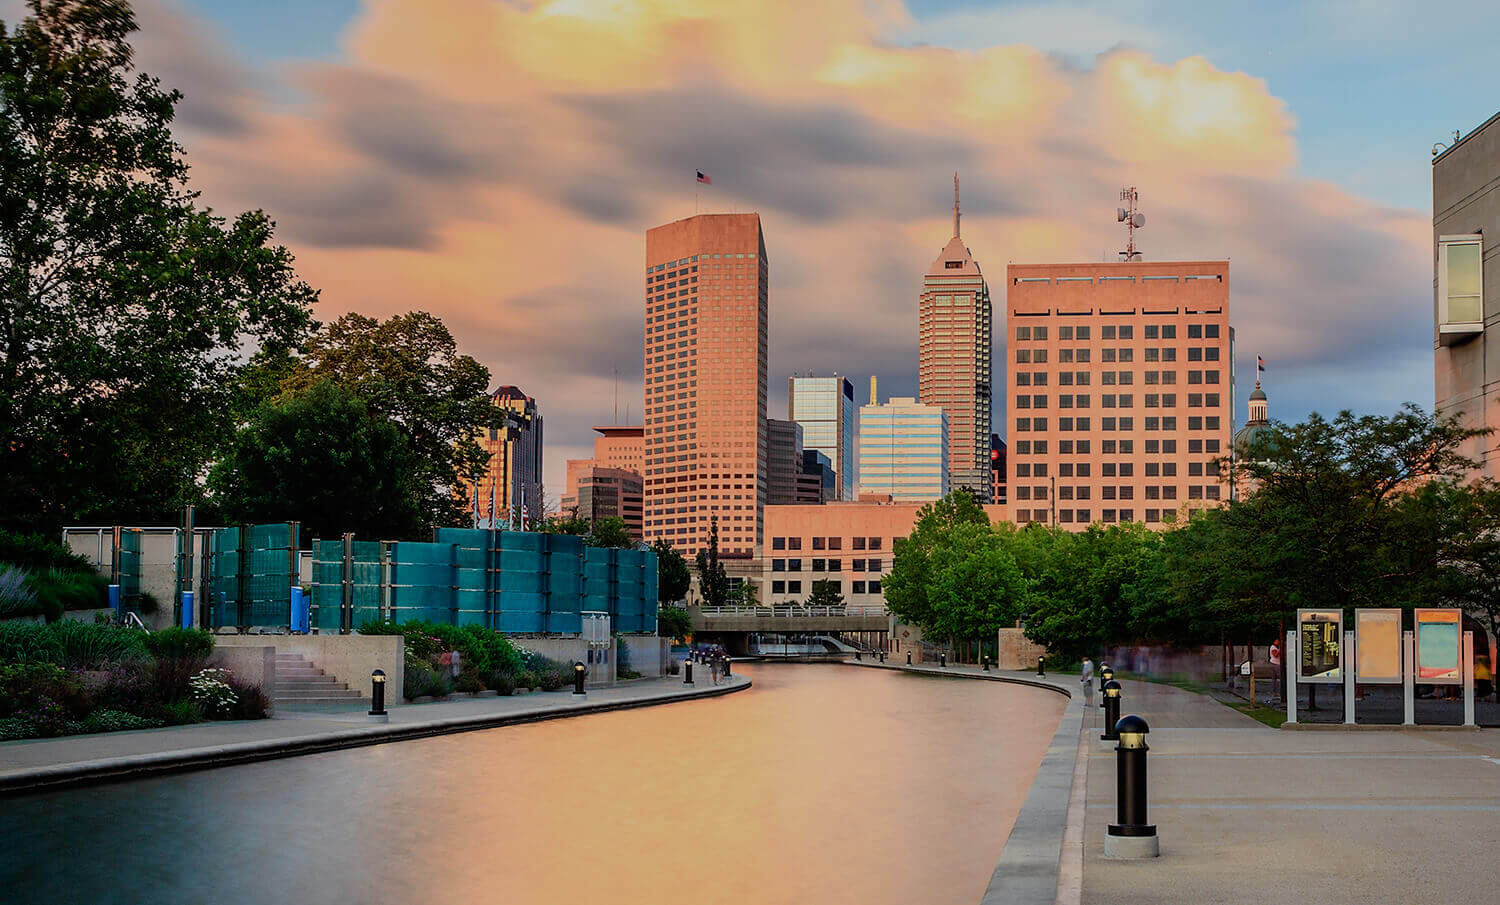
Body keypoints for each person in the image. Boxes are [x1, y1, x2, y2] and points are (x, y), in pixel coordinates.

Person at [1269, 638, 1283, 704]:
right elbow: (1275, 655)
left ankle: (1275, 692)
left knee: (1274, 678)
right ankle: (1277, 692)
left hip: (1275, 663)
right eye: (1277, 641)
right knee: (1278, 678)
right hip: (1275, 664)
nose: (1278, 642)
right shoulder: (1273, 647)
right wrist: (1280, 650)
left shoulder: (1275, 647)